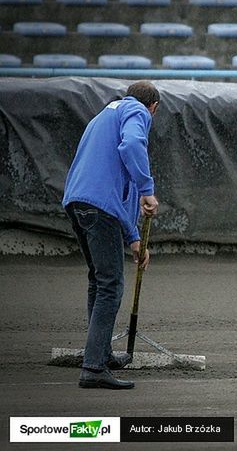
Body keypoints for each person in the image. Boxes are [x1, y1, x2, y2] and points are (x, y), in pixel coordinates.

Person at [62, 81, 160, 390]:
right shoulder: (137, 111)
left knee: (99, 281)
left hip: (77, 202)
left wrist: (134, 238)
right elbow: (132, 147)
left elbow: (118, 183)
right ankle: (93, 367)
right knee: (110, 286)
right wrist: (148, 189)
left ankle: (100, 354)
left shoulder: (104, 115)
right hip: (97, 206)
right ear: (153, 107)